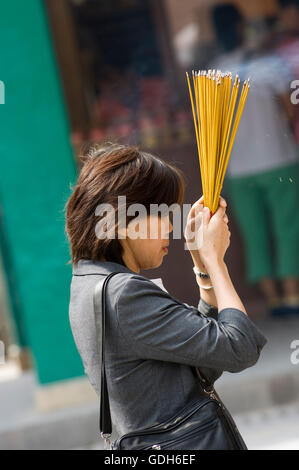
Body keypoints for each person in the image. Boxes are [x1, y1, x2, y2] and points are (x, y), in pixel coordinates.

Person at [64, 143, 267, 446]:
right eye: (161, 214)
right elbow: (240, 348)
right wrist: (215, 260)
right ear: (122, 221)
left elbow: (204, 364)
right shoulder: (124, 295)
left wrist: (201, 264)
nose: (170, 226)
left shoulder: (90, 282)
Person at [211, 4, 299, 317]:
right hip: (278, 158)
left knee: (253, 233)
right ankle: (292, 296)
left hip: (237, 169)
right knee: (288, 227)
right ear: (241, 28)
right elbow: (291, 112)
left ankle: (273, 299)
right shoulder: (271, 67)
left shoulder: (211, 74)